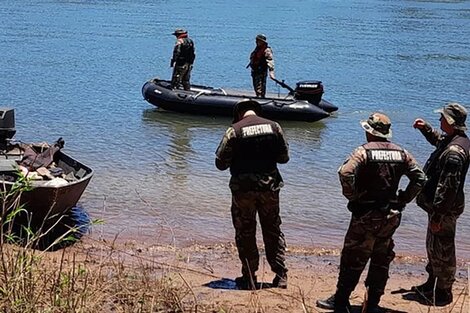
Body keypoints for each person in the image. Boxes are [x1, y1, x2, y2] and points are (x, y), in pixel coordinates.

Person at [316, 113, 426, 313]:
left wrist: (353, 195)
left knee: (352, 258)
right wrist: (404, 199)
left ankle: (341, 301)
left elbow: (345, 172)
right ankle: (373, 302)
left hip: (365, 214)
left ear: (369, 131)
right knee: (381, 259)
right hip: (390, 216)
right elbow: (420, 178)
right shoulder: (401, 153)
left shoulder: (363, 152)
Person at [215, 99, 289, 290]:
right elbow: (284, 158)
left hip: (243, 190)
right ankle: (281, 275)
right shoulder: (274, 127)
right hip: (269, 188)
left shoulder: (235, 131)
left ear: (239, 114)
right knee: (272, 229)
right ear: (257, 112)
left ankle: (249, 276)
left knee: (245, 231)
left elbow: (220, 163)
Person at [410, 102, 470, 306]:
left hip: (445, 209)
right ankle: (431, 283)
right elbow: (439, 140)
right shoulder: (454, 140)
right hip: (439, 207)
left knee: (443, 249)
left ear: (451, 122)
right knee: (433, 246)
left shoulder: (455, 151)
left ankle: (444, 292)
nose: (440, 120)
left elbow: (448, 188)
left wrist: (438, 216)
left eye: (442, 118)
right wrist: (425, 129)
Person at [248, 34, 275, 98]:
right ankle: (259, 96)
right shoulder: (257, 49)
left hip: (261, 72)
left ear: (262, 42)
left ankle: (260, 98)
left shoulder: (266, 50)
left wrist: (271, 72)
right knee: (256, 86)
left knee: (260, 88)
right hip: (255, 71)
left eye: (258, 40)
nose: (256, 42)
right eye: (256, 40)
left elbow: (270, 61)